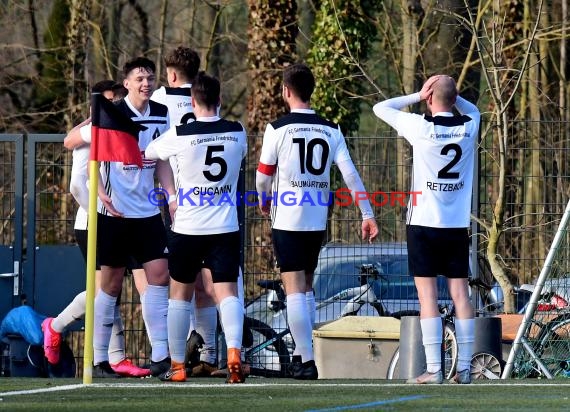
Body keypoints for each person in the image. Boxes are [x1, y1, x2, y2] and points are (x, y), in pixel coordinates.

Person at [255, 63, 379, 380]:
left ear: (286, 91)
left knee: (294, 288)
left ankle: (307, 360)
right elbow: (350, 174)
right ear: (312, 92)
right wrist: (367, 213)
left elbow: (262, 175)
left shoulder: (277, 128)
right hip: (315, 219)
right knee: (306, 288)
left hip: (289, 218)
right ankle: (301, 354)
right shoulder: (331, 129)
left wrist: (264, 199)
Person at [373, 74, 480, 384]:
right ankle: (464, 371)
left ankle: (434, 370)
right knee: (461, 295)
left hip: (422, 225)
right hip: (456, 226)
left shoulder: (422, 128)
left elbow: (381, 107)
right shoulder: (469, 127)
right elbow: (473, 109)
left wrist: (418, 96)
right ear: (455, 100)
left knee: (428, 298)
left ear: (430, 100)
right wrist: (447, 91)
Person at [42, 80, 149, 378]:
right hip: (94, 222)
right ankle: (57, 326)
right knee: (104, 290)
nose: (114, 108)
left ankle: (116, 356)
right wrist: (99, 213)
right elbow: (77, 183)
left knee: (110, 289)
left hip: (123, 220)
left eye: (116, 102)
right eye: (109, 102)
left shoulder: (119, 128)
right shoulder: (90, 135)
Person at [145, 71, 247, 384]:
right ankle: (233, 356)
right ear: (220, 100)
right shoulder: (237, 131)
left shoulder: (179, 133)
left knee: (179, 295)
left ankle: (177, 366)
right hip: (224, 225)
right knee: (227, 292)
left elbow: (150, 153)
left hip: (188, 226)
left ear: (192, 102)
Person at [88, 57, 174, 378]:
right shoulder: (110, 112)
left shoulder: (162, 114)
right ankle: (100, 359)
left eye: (150, 78)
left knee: (159, 276)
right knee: (110, 286)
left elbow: (162, 160)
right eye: (139, 78)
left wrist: (171, 195)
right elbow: (92, 156)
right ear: (126, 83)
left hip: (148, 212)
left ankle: (161, 355)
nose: (146, 83)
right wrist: (98, 192)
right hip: (115, 213)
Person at [150, 46, 221, 376]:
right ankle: (207, 352)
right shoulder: (204, 101)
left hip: (174, 199)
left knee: (176, 282)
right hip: (213, 199)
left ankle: (170, 355)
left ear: (172, 74)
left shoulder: (160, 100)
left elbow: (153, 150)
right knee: (208, 283)